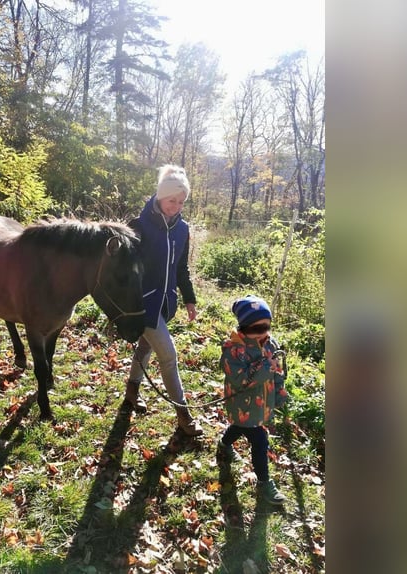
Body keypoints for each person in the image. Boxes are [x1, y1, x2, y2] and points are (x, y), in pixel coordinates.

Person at [123, 164, 203, 436]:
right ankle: (184, 416)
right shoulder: (138, 226)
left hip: (166, 303)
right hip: (143, 305)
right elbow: (124, 270)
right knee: (168, 357)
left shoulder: (182, 230)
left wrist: (189, 299)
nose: (177, 206)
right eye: (172, 200)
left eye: (181, 202)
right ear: (160, 196)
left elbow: (181, 268)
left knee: (145, 348)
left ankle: (131, 392)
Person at [217, 295, 289, 505]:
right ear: (243, 327)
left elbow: (277, 372)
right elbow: (241, 380)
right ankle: (264, 483)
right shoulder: (234, 349)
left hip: (261, 404)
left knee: (240, 427)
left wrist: (279, 392)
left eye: (266, 327)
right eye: (257, 329)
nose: (263, 333)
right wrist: (267, 366)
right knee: (259, 439)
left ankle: (224, 444)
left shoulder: (270, 343)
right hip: (243, 403)